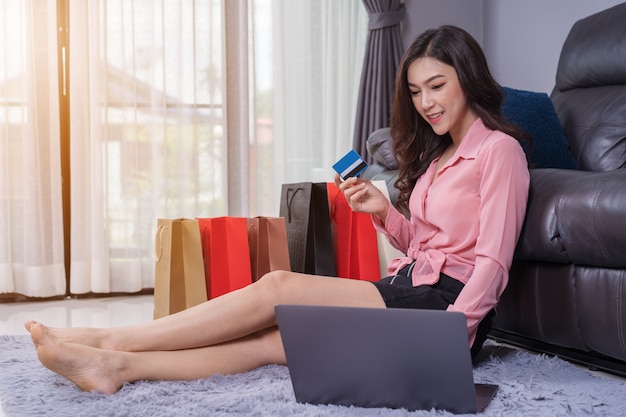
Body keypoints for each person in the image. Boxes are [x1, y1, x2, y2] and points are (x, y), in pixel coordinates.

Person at [25, 25, 530, 395]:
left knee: (277, 288)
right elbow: (426, 245)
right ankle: (115, 367)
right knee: (275, 340)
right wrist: (384, 213)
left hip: (448, 311)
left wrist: (447, 339)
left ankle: (107, 337)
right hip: (409, 288)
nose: (425, 103)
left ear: (467, 78)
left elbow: (491, 261)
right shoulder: (438, 157)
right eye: (416, 91)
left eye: (437, 86)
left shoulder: (498, 152)